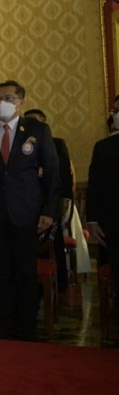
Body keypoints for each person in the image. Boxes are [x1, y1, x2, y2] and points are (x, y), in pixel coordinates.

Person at [0, 80, 59, 341]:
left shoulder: (37, 130)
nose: (1, 102)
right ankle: (6, 325)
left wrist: (49, 211)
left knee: (25, 270)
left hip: (28, 212)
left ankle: (28, 326)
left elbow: (52, 174)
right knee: (3, 271)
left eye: (8, 97)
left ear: (21, 102)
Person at [23, 108, 83, 290]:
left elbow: (63, 173)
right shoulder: (21, 145)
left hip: (50, 202)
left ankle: (60, 285)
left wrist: (64, 199)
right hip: (26, 203)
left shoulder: (56, 143)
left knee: (53, 244)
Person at [88, 102, 119, 342]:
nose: (115, 116)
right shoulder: (104, 147)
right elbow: (95, 186)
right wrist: (93, 220)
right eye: (115, 111)